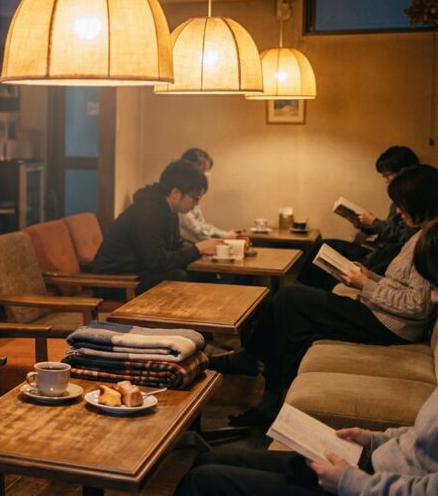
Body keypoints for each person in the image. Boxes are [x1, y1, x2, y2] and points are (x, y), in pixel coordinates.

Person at [174, 219, 438, 496]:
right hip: (374, 465)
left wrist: (350, 481)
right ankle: (258, 373)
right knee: (205, 461)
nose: (432, 299)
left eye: (434, 286)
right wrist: (374, 440)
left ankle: (255, 368)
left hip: (367, 484)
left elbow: (417, 305)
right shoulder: (419, 236)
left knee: (200, 482)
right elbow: (423, 440)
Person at [213, 165, 438, 427]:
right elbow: (403, 287)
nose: (398, 211)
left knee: (288, 299)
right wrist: (371, 277)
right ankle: (266, 398)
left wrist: (365, 285)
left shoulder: (430, 241)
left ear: (420, 201)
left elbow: (416, 305)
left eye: (402, 204)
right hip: (380, 315)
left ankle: (251, 362)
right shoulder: (421, 234)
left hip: (390, 326)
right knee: (292, 320)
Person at [87, 160, 221, 293]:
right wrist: (197, 249)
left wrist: (201, 252)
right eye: (195, 198)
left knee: (202, 274)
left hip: (138, 272)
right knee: (178, 278)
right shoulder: (147, 212)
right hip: (115, 280)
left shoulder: (170, 210)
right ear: (175, 194)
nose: (196, 204)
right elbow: (158, 262)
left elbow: (175, 249)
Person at [299, 146, 420, 290]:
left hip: (383, 256)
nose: (385, 181)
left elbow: (403, 236)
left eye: (387, 175)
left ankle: (306, 290)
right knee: (323, 247)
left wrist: (374, 222)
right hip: (378, 249)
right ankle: (304, 289)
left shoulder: (412, 199)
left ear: (403, 171)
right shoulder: (400, 197)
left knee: (327, 251)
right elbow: (391, 230)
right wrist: (364, 226)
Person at [177, 148, 241, 243]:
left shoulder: (194, 193)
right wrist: (224, 236)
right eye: (205, 170)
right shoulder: (183, 196)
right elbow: (195, 230)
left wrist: (224, 234)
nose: (208, 175)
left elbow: (201, 223)